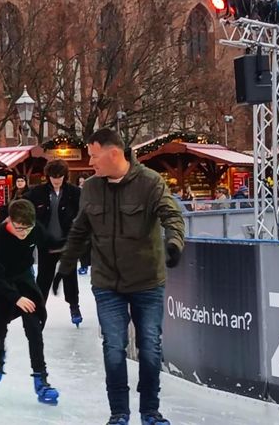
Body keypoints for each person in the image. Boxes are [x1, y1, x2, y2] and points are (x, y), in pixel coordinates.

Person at [56, 129, 185, 425]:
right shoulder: (91, 187)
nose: (90, 161)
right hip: (107, 283)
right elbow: (80, 228)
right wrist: (65, 263)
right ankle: (119, 413)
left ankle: (150, 411)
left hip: (147, 281)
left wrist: (174, 243)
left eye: (93, 154)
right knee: (113, 347)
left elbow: (172, 216)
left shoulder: (150, 182)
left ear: (114, 153)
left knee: (150, 346)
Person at [0, 199, 59, 405]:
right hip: (0, 284)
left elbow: (53, 244)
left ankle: (41, 380)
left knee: (34, 328)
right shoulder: (0, 235)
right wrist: (15, 298)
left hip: (24, 282)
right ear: (10, 220)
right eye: (19, 228)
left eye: (27, 229)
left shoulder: (34, 229)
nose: (24, 233)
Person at [0, 159, 83, 327]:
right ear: (48, 176)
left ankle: (74, 307)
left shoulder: (74, 193)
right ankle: (40, 310)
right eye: (53, 176)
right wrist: (1, 212)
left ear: (64, 176)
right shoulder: (38, 192)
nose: (56, 180)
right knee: (43, 280)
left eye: (59, 176)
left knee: (70, 277)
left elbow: (89, 206)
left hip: (68, 243)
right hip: (47, 244)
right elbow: (19, 205)